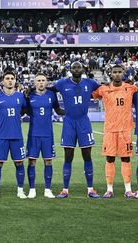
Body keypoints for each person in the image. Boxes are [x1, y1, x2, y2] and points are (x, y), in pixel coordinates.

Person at [49, 62, 100, 198]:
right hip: (69, 122)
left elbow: (103, 91)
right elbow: (49, 91)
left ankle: (90, 189)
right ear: (70, 70)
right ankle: (65, 190)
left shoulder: (90, 83)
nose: (77, 69)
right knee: (68, 156)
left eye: (79, 67)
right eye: (74, 67)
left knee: (87, 155)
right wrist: (57, 108)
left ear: (83, 69)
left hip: (84, 121)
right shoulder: (61, 83)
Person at [92, 65, 138, 198]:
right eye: (115, 72)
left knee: (126, 158)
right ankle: (109, 189)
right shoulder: (104, 89)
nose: (117, 74)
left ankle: (128, 190)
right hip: (110, 130)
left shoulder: (131, 88)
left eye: (120, 72)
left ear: (123, 73)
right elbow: (88, 94)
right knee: (110, 158)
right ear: (111, 74)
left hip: (125, 130)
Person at [0, 71, 27, 199]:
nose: (10, 80)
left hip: (17, 136)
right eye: (7, 78)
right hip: (2, 136)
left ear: (15, 81)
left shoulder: (21, 97)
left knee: (19, 163)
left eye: (12, 78)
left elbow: (26, 109)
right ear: (3, 81)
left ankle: (20, 191)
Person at [25, 74, 64, 199]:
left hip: (48, 134)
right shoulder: (29, 96)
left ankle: (47, 189)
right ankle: (32, 189)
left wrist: (72, 111)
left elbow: (58, 110)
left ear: (46, 82)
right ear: (35, 83)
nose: (41, 83)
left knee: (48, 161)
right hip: (33, 134)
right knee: (32, 161)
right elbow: (23, 110)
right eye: (38, 81)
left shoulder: (51, 95)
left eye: (43, 80)